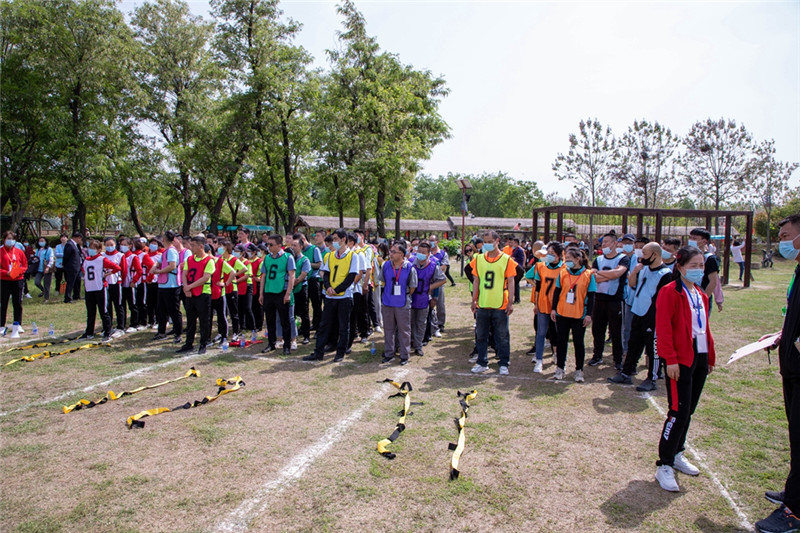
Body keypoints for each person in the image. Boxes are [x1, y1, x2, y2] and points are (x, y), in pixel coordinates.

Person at [653, 246, 715, 493]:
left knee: (689, 409)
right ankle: (664, 463)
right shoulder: (669, 291)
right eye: (693, 266)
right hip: (679, 358)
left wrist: (709, 355)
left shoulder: (700, 293)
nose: (698, 270)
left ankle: (678, 452)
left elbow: (705, 327)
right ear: (679, 267)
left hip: (699, 356)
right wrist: (670, 359)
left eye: (701, 265)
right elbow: (663, 327)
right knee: (677, 411)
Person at [756, 215, 800, 533]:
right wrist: (781, 335)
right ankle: (794, 491)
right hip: (792, 369)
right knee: (796, 436)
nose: (781, 241)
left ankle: (794, 512)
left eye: (786, 235)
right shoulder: (798, 271)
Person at [608, 242, 672, 391]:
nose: (642, 257)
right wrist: (635, 272)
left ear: (655, 255)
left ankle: (652, 378)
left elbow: (662, 299)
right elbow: (632, 285)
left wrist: (653, 314)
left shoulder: (665, 274)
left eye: (645, 254)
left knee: (652, 348)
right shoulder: (643, 268)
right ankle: (626, 372)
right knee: (633, 344)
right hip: (638, 311)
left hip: (652, 315)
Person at [304, 229, 358, 362]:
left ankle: (340, 353)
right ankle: (318, 352)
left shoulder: (353, 256)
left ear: (343, 239)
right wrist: (328, 287)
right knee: (324, 325)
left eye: (335, 239)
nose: (333, 242)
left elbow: (351, 277)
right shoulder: (331, 255)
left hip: (344, 297)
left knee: (343, 327)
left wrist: (337, 290)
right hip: (330, 296)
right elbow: (326, 273)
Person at [470, 230, 517, 375]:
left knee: (502, 336)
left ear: (497, 241)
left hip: (500, 303)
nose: (487, 245)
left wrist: (510, 301)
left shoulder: (507, 259)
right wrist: (474, 299)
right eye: (485, 242)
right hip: (483, 303)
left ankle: (504, 363)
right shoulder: (478, 259)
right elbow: (476, 280)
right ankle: (482, 362)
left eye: (490, 242)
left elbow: (511, 281)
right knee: (481, 335)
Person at [549, 247, 596, 382]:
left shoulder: (588, 275)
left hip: (579, 314)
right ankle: (560, 368)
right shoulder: (563, 272)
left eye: (569, 259)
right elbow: (557, 291)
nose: (567, 261)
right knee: (561, 341)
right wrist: (554, 309)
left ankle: (579, 370)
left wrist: (589, 314)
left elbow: (591, 296)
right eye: (566, 259)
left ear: (577, 259)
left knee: (578, 342)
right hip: (563, 312)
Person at [588, 233, 630, 369]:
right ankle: (597, 356)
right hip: (599, 299)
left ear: (614, 243)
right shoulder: (599, 259)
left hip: (615, 299)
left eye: (606, 242)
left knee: (616, 331)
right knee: (597, 329)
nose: (604, 244)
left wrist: (604, 274)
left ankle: (617, 359)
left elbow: (618, 273)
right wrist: (610, 275)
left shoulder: (623, 258)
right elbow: (593, 276)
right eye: (602, 242)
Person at [377, 242, 418, 365]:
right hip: (388, 302)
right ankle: (389, 353)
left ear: (402, 254)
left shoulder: (409, 268)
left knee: (404, 330)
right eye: (391, 251)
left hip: (403, 303)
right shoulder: (386, 265)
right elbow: (383, 280)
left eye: (394, 252)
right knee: (388, 329)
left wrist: (403, 295)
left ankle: (404, 355)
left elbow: (412, 287)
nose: (391, 254)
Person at [526, 241, 563, 373]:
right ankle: (539, 359)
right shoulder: (541, 266)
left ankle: (557, 355)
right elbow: (538, 287)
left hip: (558, 306)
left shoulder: (564, 268)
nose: (550, 255)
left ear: (559, 255)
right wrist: (536, 304)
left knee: (557, 332)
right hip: (543, 303)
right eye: (549, 252)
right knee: (541, 333)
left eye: (553, 253)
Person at [177, 235, 214, 355]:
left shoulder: (209, 260)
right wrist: (185, 287)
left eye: (193, 245)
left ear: (201, 246)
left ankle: (203, 343)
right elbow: (184, 273)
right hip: (190, 293)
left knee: (204, 320)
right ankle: (189, 343)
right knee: (190, 320)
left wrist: (190, 286)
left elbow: (205, 277)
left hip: (203, 293)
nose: (191, 247)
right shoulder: (190, 259)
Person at [259, 234, 295, 355]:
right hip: (269, 292)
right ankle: (271, 343)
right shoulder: (267, 258)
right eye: (267, 244)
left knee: (285, 320)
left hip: (281, 292)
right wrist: (261, 293)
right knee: (270, 320)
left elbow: (292, 276)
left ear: (279, 245)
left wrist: (288, 293)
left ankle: (287, 345)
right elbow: (263, 276)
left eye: (271, 244)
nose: (268, 247)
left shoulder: (288, 257)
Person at [80, 239, 121, 342]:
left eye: (93, 248)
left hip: (100, 288)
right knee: (90, 312)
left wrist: (106, 274)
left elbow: (116, 268)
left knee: (104, 311)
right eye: (90, 248)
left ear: (99, 250)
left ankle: (107, 332)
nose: (91, 250)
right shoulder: (87, 260)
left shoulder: (102, 259)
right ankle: (89, 332)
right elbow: (83, 269)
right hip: (89, 288)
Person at [410, 242, 446, 357]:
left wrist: (430, 288)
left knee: (421, 323)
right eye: (419, 251)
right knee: (410, 322)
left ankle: (418, 346)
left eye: (423, 252)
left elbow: (442, 280)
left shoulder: (433, 265)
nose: (420, 254)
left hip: (423, 298)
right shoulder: (410, 263)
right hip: (410, 298)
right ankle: (410, 342)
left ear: (428, 254)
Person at [152, 230, 182, 345]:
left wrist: (159, 271)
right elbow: (159, 262)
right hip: (163, 284)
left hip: (171, 285)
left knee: (173, 310)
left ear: (164, 239)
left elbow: (172, 266)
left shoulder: (172, 251)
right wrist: (154, 267)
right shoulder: (165, 251)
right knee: (161, 310)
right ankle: (161, 332)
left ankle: (178, 333)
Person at [0, 232, 28, 338]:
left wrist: (18, 272)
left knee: (17, 302)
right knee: (3, 303)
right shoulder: (1, 251)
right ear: (4, 239)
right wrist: (6, 273)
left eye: (12, 239)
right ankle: (1, 325)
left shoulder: (19, 252)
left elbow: (24, 265)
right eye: (8, 238)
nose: (10, 241)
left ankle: (17, 324)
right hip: (4, 280)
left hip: (17, 279)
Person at [688, 228, 720, 313]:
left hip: (701, 297)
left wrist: (703, 298)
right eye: (690, 237)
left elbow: (713, 281)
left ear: (704, 241)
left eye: (694, 238)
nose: (691, 240)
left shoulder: (710, 259)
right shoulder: (686, 256)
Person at [298, 232, 323, 336]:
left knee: (316, 305)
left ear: (303, 240)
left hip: (313, 280)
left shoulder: (314, 249)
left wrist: (307, 264)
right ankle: (305, 327)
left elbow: (319, 264)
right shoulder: (301, 251)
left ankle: (319, 328)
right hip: (304, 281)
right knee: (304, 306)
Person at [119, 237, 143, 333]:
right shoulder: (119, 256)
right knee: (121, 305)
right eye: (121, 244)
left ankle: (134, 324)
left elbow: (139, 270)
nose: (123, 246)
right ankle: (122, 324)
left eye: (125, 245)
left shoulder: (133, 257)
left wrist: (134, 281)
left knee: (132, 304)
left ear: (130, 246)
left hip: (130, 284)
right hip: (121, 284)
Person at [102, 237, 125, 334]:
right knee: (107, 305)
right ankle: (108, 326)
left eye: (111, 245)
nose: (109, 247)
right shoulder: (102, 256)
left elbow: (123, 269)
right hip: (105, 283)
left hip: (116, 282)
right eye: (107, 245)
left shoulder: (120, 255)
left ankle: (121, 326)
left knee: (118, 305)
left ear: (115, 245)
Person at [430, 235, 450, 333]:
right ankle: (431, 323)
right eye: (430, 240)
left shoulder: (443, 254)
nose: (431, 242)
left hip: (439, 282)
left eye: (432, 240)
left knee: (440, 303)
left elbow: (443, 266)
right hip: (429, 282)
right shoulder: (427, 253)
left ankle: (440, 323)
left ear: (437, 241)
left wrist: (432, 270)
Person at [62, 231, 83, 303]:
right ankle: (67, 298)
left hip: (77, 266)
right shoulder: (69, 245)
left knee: (78, 282)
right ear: (78, 238)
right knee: (71, 283)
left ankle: (76, 295)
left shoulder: (75, 245)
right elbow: (66, 256)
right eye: (80, 239)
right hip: (72, 267)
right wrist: (65, 265)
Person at [34, 237, 55, 302]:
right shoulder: (38, 250)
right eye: (40, 241)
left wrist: (48, 267)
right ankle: (43, 290)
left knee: (47, 284)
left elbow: (51, 259)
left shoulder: (49, 249)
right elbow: (36, 257)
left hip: (46, 268)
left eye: (42, 241)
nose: (41, 242)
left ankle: (46, 298)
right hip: (39, 269)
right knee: (37, 282)